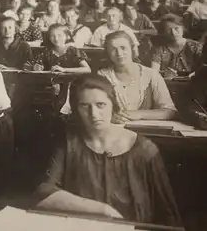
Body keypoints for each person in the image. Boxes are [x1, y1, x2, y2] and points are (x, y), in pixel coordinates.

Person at [36, 74, 181, 226]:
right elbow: (44, 194)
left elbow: (169, 215)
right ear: (75, 109)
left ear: (113, 105)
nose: (94, 114)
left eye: (101, 105)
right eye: (85, 106)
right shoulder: (69, 144)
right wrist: (103, 210)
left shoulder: (145, 150)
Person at [98, 31, 177, 121]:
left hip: (146, 132)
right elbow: (95, 110)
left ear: (132, 49)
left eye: (123, 48)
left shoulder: (151, 75)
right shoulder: (102, 77)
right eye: (113, 49)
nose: (119, 53)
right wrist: (110, 117)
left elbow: (170, 111)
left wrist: (140, 114)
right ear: (108, 53)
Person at [25, 24, 91, 74]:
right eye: (52, 36)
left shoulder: (73, 51)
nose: (56, 39)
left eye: (59, 35)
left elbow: (87, 69)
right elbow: (28, 65)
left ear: (67, 36)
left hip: (71, 84)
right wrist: (35, 67)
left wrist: (64, 70)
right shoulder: (47, 51)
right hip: (50, 84)